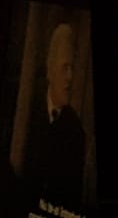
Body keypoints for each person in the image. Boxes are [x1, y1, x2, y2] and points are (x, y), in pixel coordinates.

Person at [20, 23, 86, 213]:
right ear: (50, 68)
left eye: (72, 68)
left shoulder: (76, 133)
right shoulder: (25, 112)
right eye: (65, 68)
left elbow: (71, 201)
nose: (70, 77)